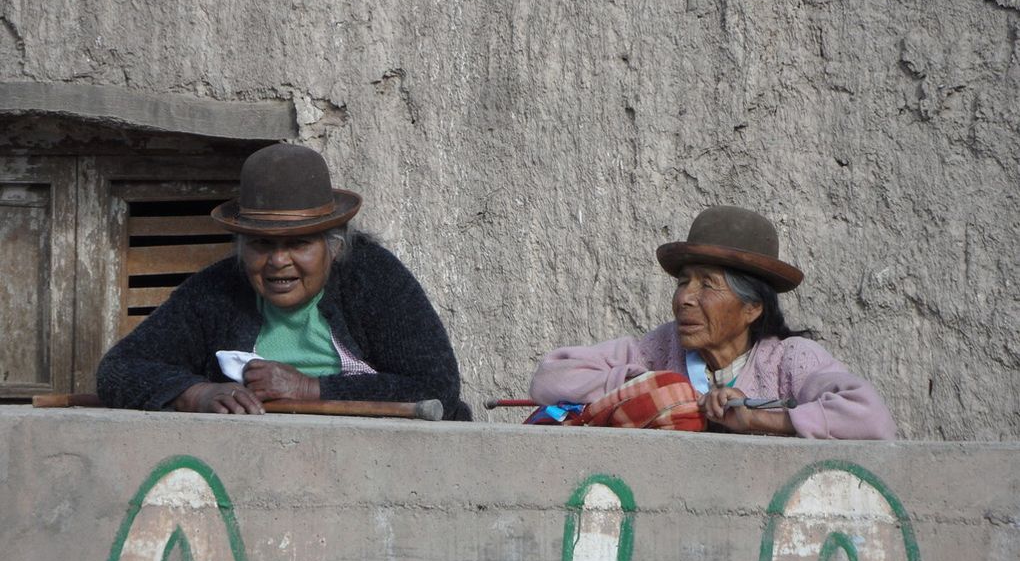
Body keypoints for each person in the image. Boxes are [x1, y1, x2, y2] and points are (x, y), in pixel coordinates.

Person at [97, 143, 471, 420]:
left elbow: (437, 385)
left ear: (334, 247)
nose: (278, 261)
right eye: (261, 244)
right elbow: (120, 368)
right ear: (243, 249)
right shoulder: (218, 289)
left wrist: (311, 389)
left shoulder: (374, 279)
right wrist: (196, 394)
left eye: (299, 244)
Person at [529, 206, 895, 439]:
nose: (685, 297)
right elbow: (549, 378)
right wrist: (651, 386)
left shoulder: (789, 361)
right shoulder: (659, 350)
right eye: (682, 281)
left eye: (707, 284)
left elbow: (872, 420)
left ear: (752, 308)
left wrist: (756, 418)